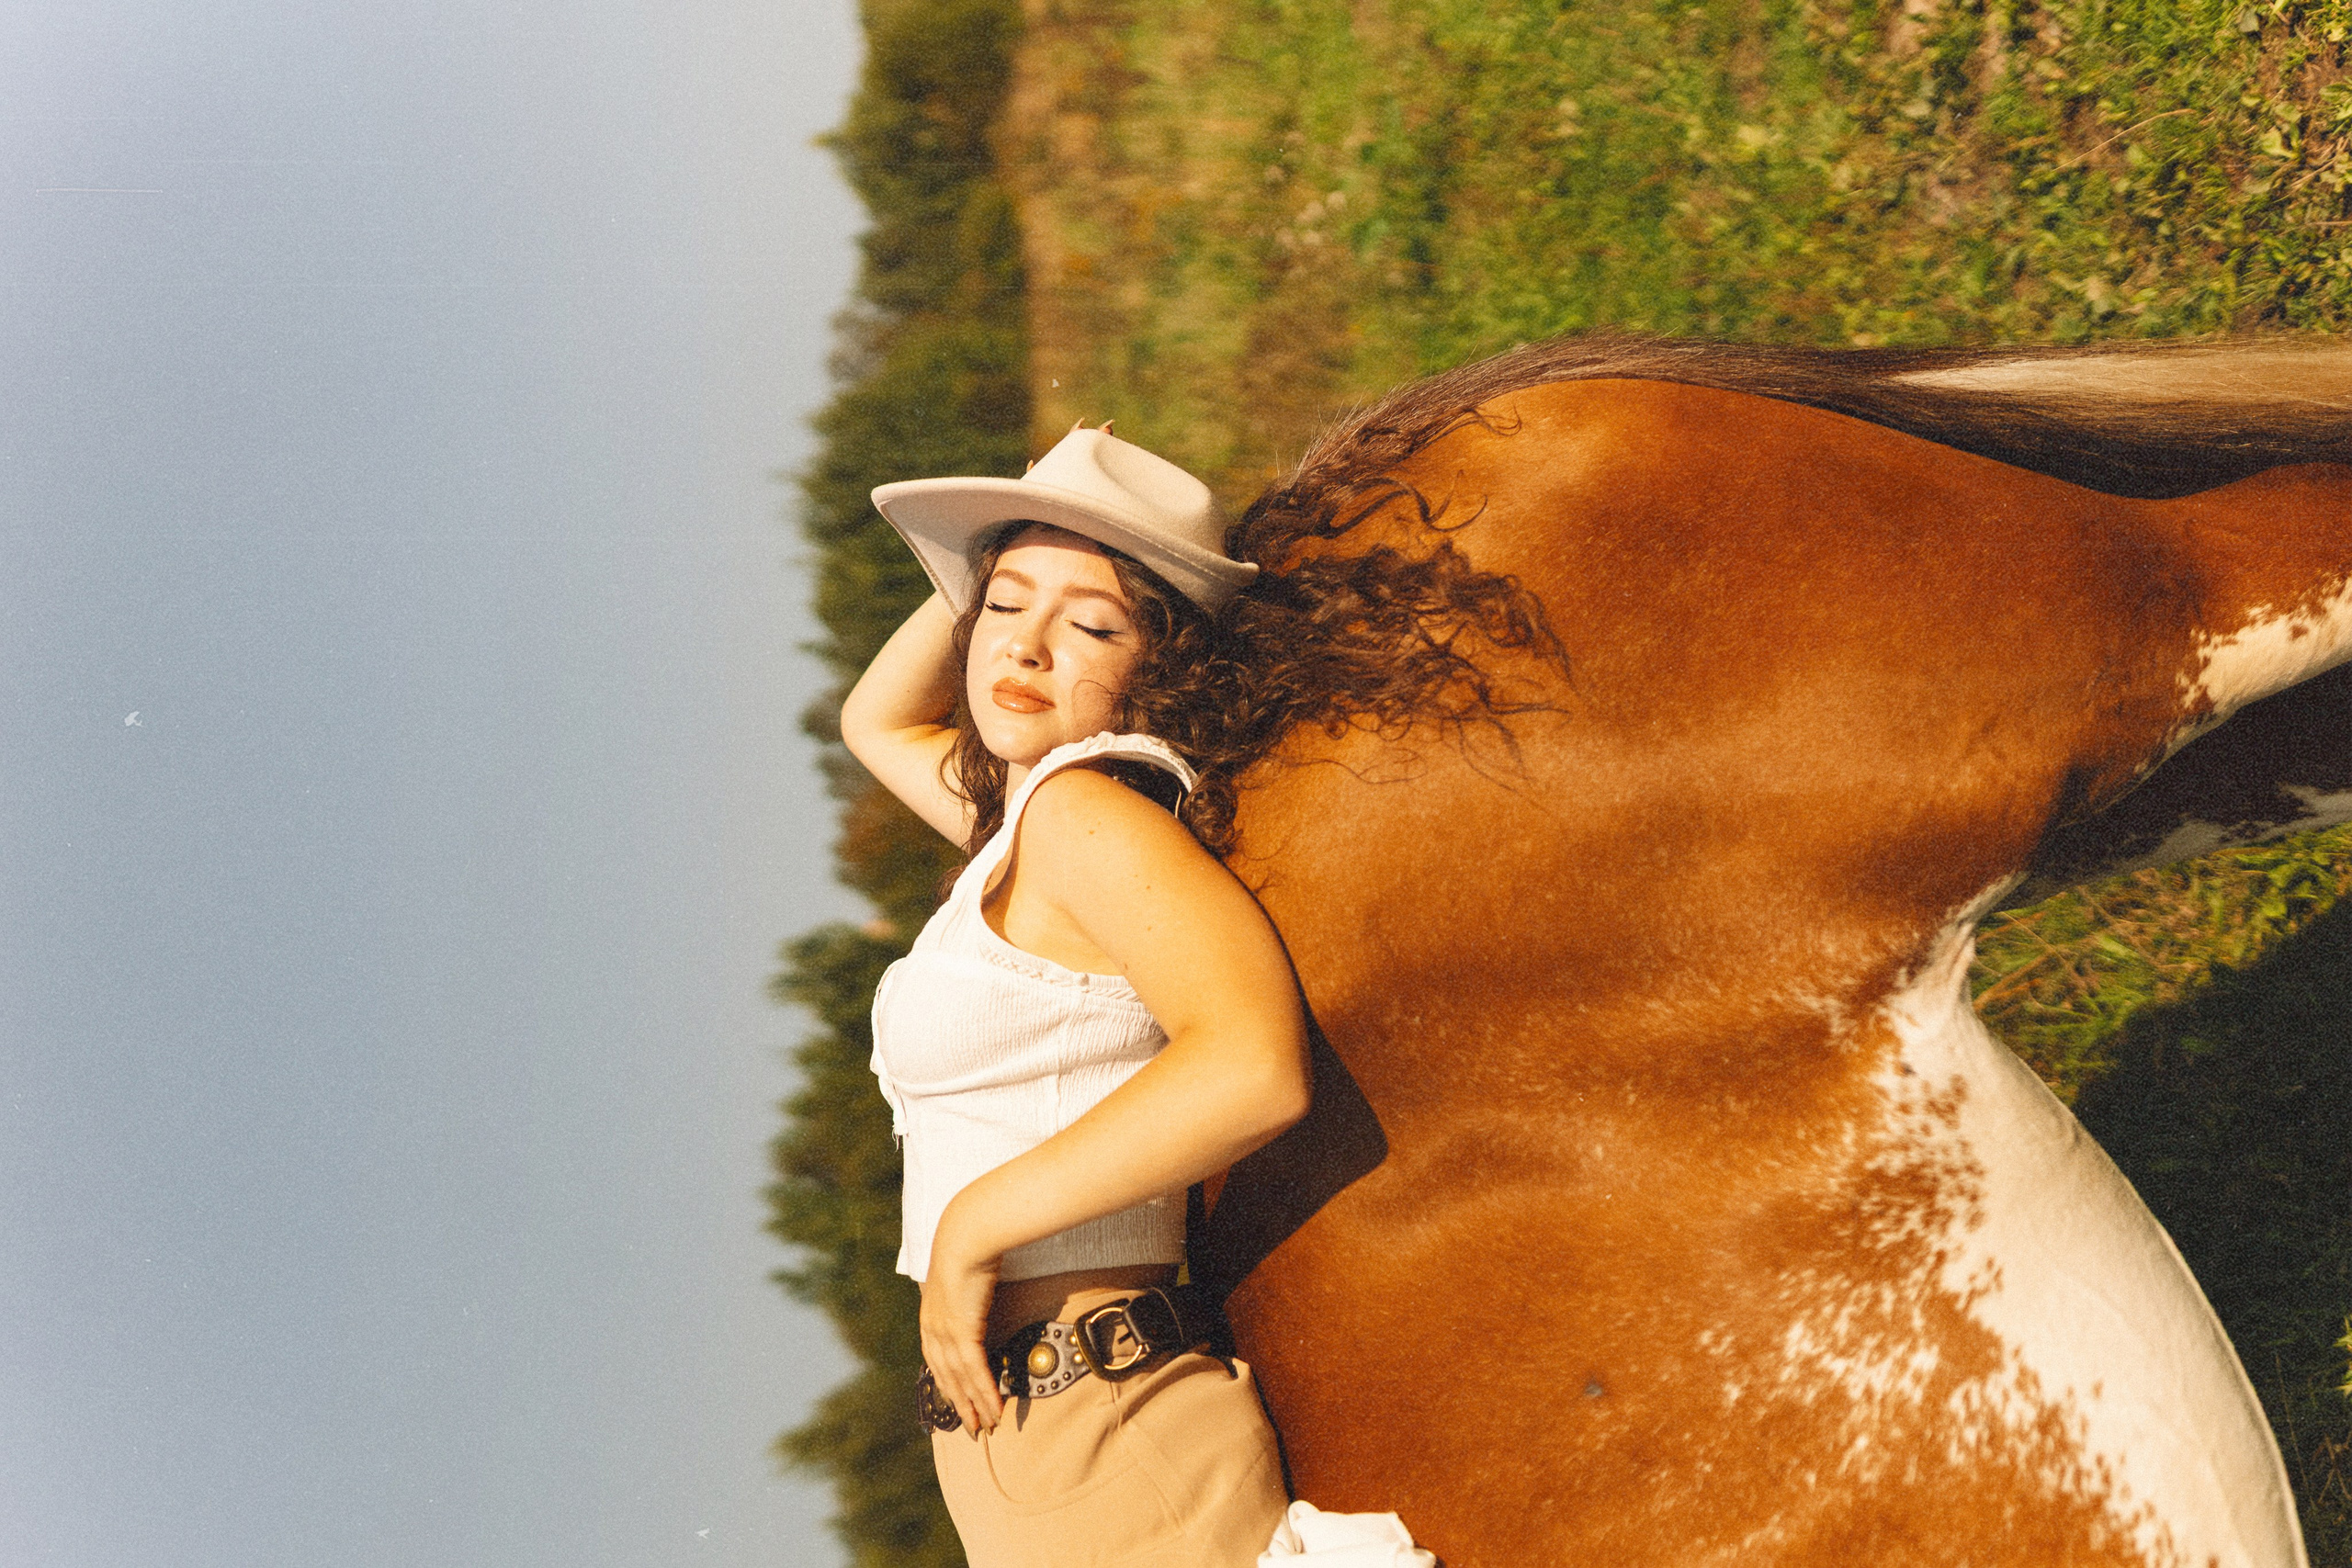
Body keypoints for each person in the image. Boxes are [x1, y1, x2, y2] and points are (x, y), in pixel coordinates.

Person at [842, 426, 1311, 1566]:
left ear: (1161, 667)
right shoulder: (1019, 832)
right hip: (1035, 1433)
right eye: (1004, 608)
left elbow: (1254, 1064)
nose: (1028, 649)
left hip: (1098, 1412)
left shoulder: (1084, 819)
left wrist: (973, 1226)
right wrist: (1007, 532)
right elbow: (874, 723)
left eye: (1093, 625)